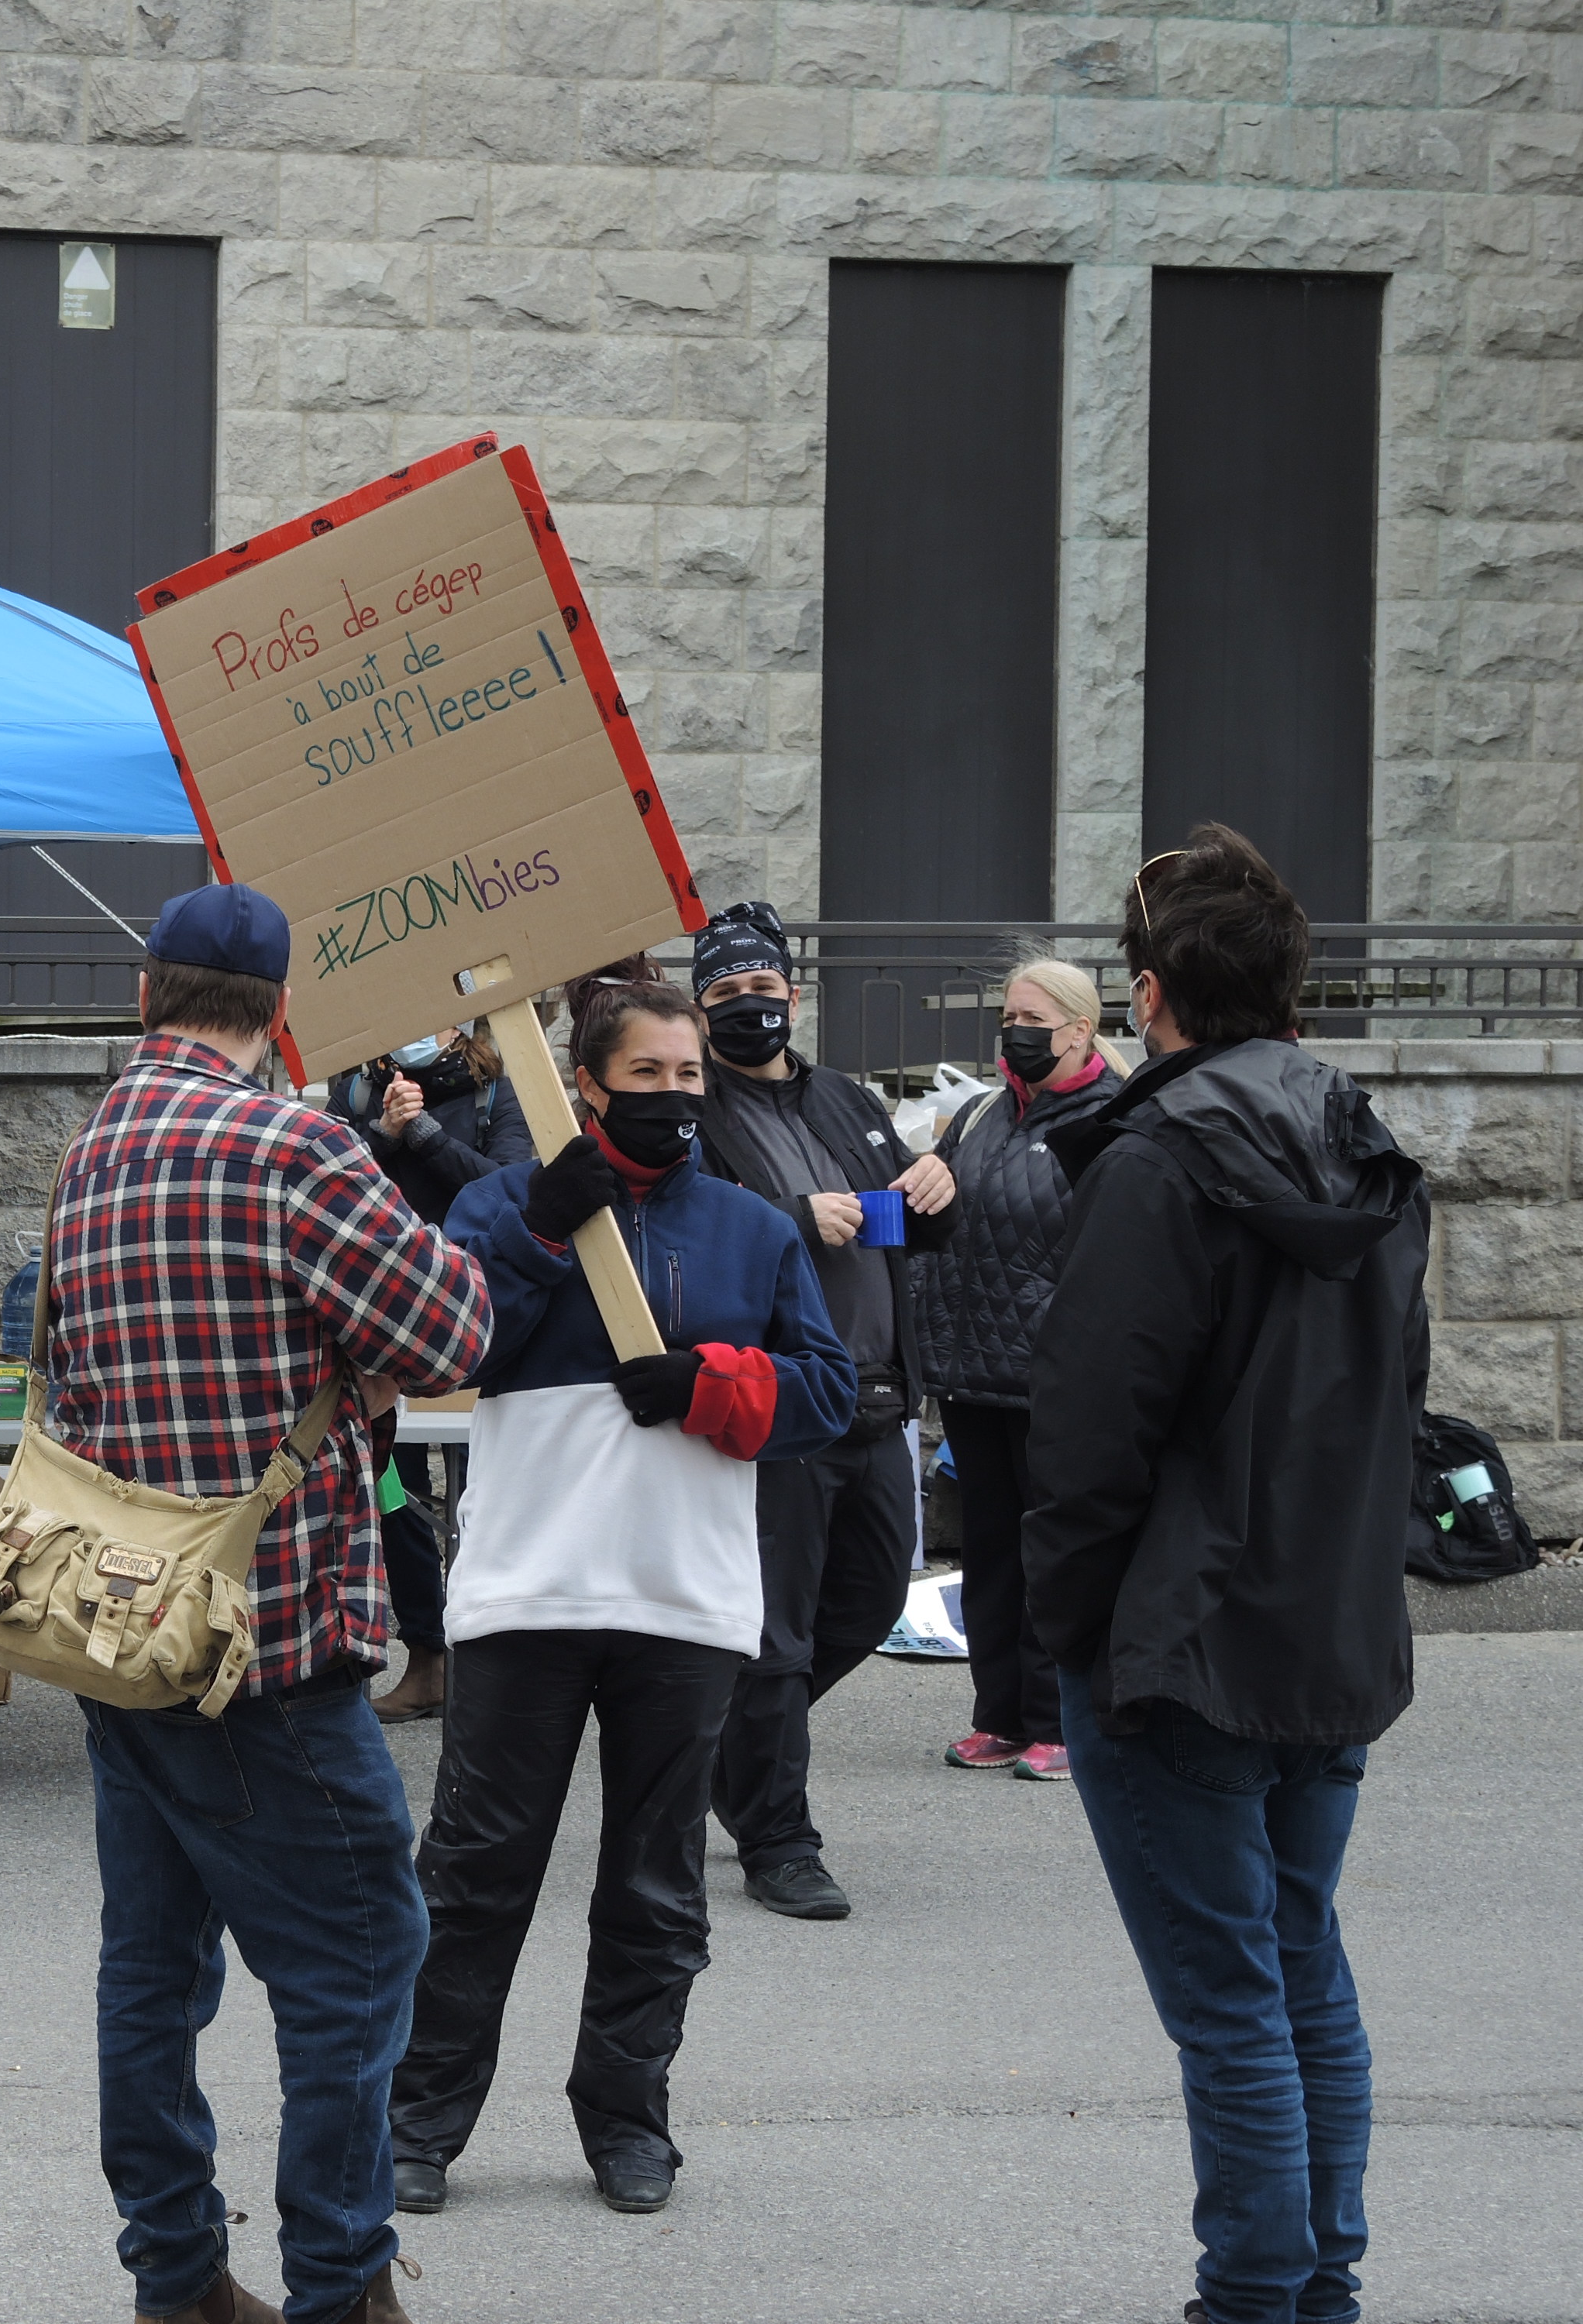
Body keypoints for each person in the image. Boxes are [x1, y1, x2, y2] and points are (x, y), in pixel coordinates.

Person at [45, 884, 490, 2324]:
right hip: (271, 1640)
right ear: (281, 1014)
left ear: (145, 997)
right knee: (363, 1960)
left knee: (153, 1974)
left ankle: (175, 2275)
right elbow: (454, 1327)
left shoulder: (89, 1148)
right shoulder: (295, 1144)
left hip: (127, 1631)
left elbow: (71, 1378)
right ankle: (342, 2286)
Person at [1024, 828, 1428, 2324]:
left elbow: (1088, 1430)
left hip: (1184, 1638)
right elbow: (1400, 1394)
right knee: (1296, 1967)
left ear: (1147, 996)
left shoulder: (1160, 1160)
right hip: (1326, 1623)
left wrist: (1068, 1635)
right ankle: (1312, 2281)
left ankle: (1257, 2291)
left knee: (1237, 2003)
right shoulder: (1363, 1141)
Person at [390, 958, 852, 2221]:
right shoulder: (496, 1207)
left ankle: (629, 2120)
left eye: (687, 1074)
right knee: (478, 1873)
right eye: (644, 1074)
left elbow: (826, 1394)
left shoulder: (754, 1229)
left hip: (681, 1602)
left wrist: (716, 1384)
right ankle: (420, 2122)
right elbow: (449, 1348)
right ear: (583, 1085)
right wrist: (544, 1225)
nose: (671, 1094)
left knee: (658, 1882)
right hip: (527, 1596)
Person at [687, 899, 955, 1920]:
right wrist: (796, 1220)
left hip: (878, 1400)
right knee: (780, 1635)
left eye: (763, 991)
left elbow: (904, 1228)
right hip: (781, 1404)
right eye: (727, 995)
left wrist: (937, 1191)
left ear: (792, 997)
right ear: (704, 1011)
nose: (750, 1008)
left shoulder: (846, 1100)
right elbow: (690, 1232)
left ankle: (732, 1758)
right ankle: (779, 1840)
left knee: (873, 1599)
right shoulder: (696, 1111)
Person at [914, 956, 1126, 1783]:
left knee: (1054, 1555)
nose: (1014, 1032)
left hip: (1055, 1379)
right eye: (1007, 1016)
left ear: (1080, 1029)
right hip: (973, 1373)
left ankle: (1058, 1721)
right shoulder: (978, 1117)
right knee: (991, 1552)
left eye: (1031, 1018)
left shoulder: (1110, 1122)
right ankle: (998, 1714)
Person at [325, 1025, 532, 1724]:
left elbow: (509, 1192)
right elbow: (329, 1189)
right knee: (396, 1497)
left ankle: (494, 1666)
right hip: (385, 1325)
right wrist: (382, 1131)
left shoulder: (497, 1090)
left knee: (486, 1497)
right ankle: (428, 1659)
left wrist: (425, 1139)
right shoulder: (353, 1090)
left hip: (478, 1318)